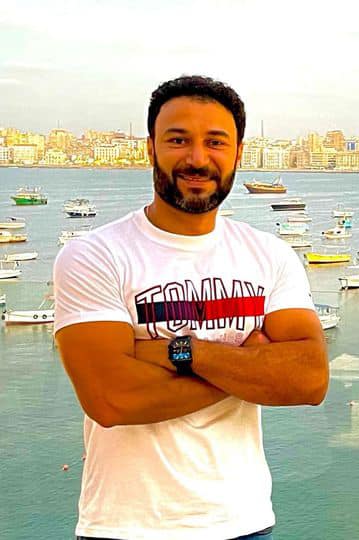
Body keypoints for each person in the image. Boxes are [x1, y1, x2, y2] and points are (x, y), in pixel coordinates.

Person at [54, 75, 329, 540]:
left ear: (238, 154)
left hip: (244, 524)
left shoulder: (270, 255)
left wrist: (181, 352)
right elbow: (111, 399)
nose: (198, 159)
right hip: (125, 528)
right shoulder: (95, 255)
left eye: (215, 142)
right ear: (151, 148)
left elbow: (309, 379)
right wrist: (250, 364)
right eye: (178, 140)